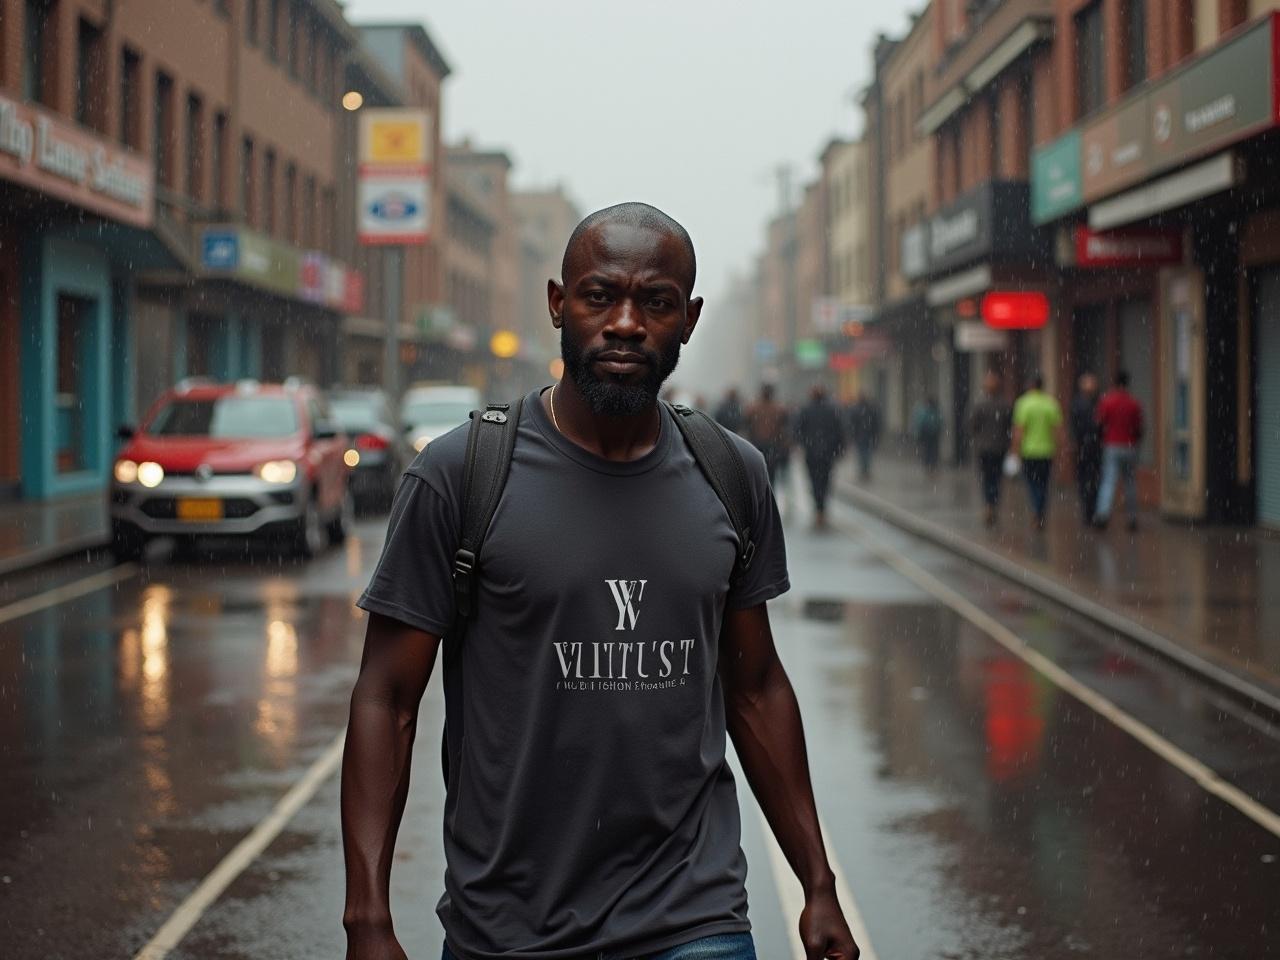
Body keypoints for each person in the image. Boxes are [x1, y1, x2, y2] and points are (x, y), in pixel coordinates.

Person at [341, 203, 859, 960]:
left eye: (655, 302)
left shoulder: (731, 474)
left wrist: (817, 883)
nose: (625, 322)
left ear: (688, 318)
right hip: (509, 930)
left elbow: (755, 688)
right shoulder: (461, 476)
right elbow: (386, 699)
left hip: (693, 916)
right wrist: (368, 920)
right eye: (599, 296)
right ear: (558, 302)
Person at [1093, 369, 1144, 531]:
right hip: (1129, 446)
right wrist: (1135, 443)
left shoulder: (1107, 401)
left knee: (1109, 481)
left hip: (1112, 445)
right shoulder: (1134, 403)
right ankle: (1132, 518)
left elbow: (1100, 424)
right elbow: (1139, 427)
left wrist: (1101, 440)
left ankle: (1103, 515)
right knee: (1130, 483)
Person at [1011, 373, 1064, 531]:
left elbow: (1019, 430)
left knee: (1032, 483)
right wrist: (1060, 450)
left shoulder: (1023, 404)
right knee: (1044, 483)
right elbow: (1058, 430)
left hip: (1029, 451)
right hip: (1046, 451)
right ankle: (1040, 511)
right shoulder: (1051, 404)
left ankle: (1036, 511)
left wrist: (1015, 450)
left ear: (1030, 386)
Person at [794, 384, 845, 528]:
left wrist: (803, 443)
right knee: (825, 480)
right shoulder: (832, 410)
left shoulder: (806, 409)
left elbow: (797, 429)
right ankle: (822, 507)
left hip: (811, 453)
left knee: (814, 480)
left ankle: (818, 507)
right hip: (827, 452)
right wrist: (839, 448)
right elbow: (840, 430)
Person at [967, 371, 1011, 528]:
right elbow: (1010, 426)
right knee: (997, 478)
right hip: (1000, 448)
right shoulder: (1005, 405)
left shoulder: (980, 405)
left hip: (984, 449)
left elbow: (972, 427)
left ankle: (989, 505)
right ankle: (993, 504)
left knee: (986, 478)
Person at [744, 382, 792, 490]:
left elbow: (747, 426)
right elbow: (784, 429)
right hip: (772, 445)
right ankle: (769, 494)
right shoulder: (779, 409)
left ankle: (761, 495)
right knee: (771, 474)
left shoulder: (753, 408)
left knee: (758, 473)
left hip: (757, 445)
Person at [1069, 373, 1102, 524]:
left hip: (1092, 448)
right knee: (1087, 479)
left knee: (1090, 479)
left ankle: (1090, 509)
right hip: (1087, 447)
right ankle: (1089, 510)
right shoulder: (1084, 404)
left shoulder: (1094, 403)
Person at [847, 391, 882, 482]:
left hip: (861, 436)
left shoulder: (856, 409)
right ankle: (865, 470)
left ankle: (864, 470)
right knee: (866, 453)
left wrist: (853, 434)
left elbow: (852, 424)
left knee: (862, 453)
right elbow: (876, 423)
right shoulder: (871, 409)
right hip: (867, 435)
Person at [912, 396, 943, 476]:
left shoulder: (925, 411)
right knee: (933, 450)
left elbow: (920, 422)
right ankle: (932, 466)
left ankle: (929, 466)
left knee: (928, 450)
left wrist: (918, 433)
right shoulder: (936, 411)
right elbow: (940, 421)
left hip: (927, 434)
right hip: (933, 434)